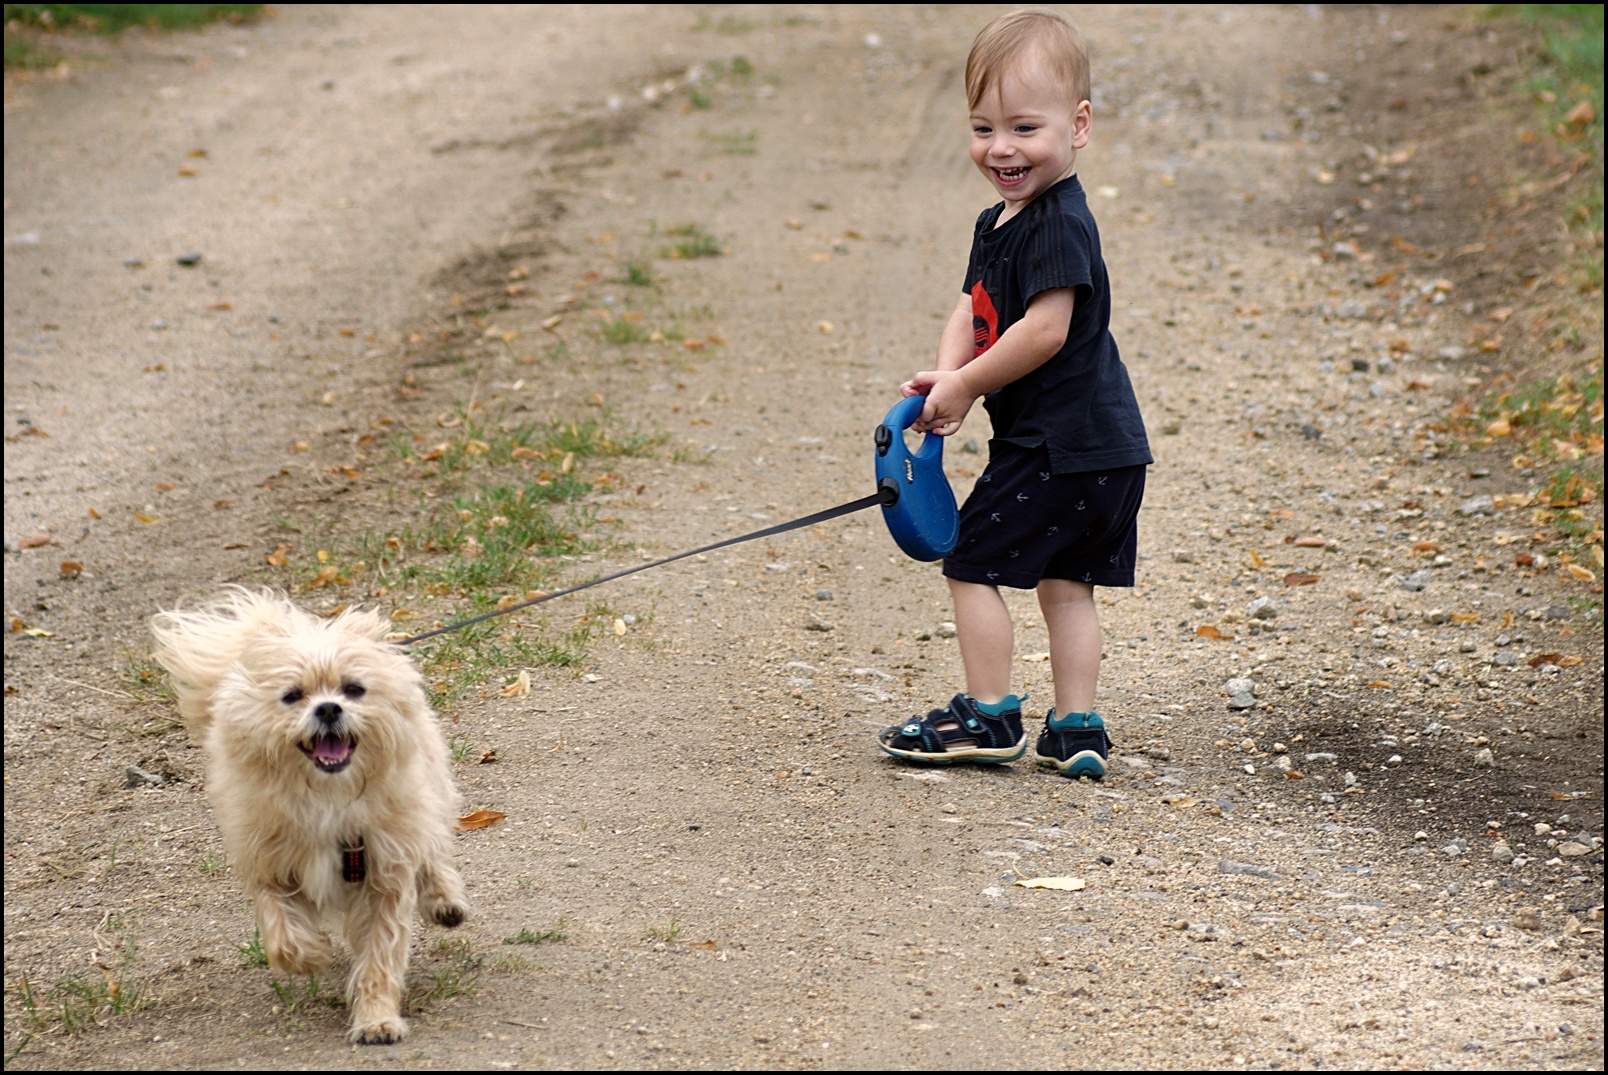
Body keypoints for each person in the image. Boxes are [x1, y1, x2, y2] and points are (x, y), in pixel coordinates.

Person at [878, 7, 1151, 780]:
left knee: (969, 563)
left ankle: (988, 714)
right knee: (1068, 585)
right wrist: (947, 382)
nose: (1002, 148)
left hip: (1055, 447)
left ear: (1080, 125)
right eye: (983, 127)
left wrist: (968, 381)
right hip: (1109, 450)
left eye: (1026, 128)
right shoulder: (1001, 220)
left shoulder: (1060, 223)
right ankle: (1076, 728)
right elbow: (972, 304)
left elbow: (1043, 331)